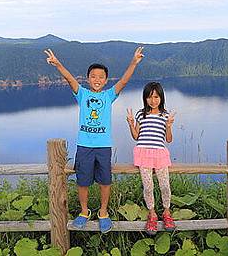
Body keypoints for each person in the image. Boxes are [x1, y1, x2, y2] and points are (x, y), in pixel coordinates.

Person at [44, 46, 144, 233]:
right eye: (93, 76)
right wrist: (57, 64)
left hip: (104, 146)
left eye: (101, 77)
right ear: (88, 78)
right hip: (84, 146)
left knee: (105, 181)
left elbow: (123, 81)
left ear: (106, 80)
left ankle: (103, 212)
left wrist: (133, 63)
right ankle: (84, 212)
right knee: (83, 182)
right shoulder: (82, 94)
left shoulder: (109, 95)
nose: (97, 80)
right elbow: (69, 78)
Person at [126, 81, 176, 235]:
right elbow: (136, 136)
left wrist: (168, 126)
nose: (153, 100)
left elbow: (168, 140)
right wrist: (131, 123)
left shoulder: (165, 115)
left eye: (156, 97)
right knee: (148, 187)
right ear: (145, 98)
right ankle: (152, 213)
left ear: (161, 97)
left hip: (160, 154)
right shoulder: (141, 114)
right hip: (143, 153)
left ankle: (167, 212)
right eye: (149, 97)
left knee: (165, 185)